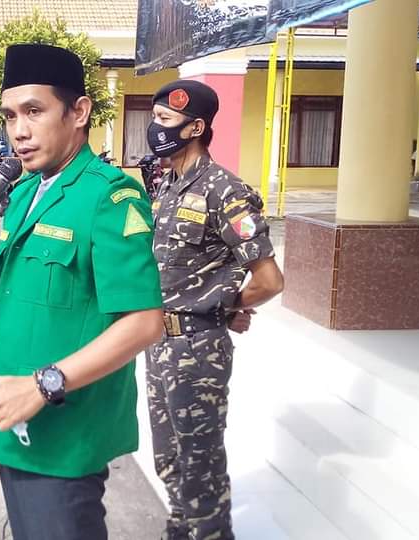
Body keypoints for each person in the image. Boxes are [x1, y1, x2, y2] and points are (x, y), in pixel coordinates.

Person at [0, 43, 166, 539]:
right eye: (8, 117)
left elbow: (143, 322)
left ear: (79, 112)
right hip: (14, 422)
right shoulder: (23, 192)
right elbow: (13, 302)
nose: (19, 131)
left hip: (63, 435)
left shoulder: (109, 196)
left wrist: (43, 384)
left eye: (34, 111)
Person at [145, 80, 284, 540]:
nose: (155, 128)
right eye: (156, 117)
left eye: (166, 120)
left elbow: (268, 281)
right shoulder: (165, 183)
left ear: (196, 127)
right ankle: (179, 531)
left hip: (196, 350)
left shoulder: (226, 191)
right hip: (157, 342)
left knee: (199, 466)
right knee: (168, 460)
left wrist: (222, 306)